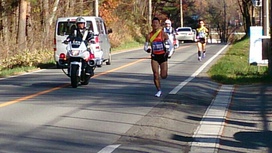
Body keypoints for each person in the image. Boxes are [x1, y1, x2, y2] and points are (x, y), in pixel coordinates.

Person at [144, 17, 173, 97]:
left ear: (159, 24)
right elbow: (145, 47)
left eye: (156, 23)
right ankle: (159, 90)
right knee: (155, 74)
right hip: (154, 56)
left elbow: (171, 45)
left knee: (163, 76)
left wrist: (168, 53)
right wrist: (148, 50)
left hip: (163, 56)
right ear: (151, 25)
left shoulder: (163, 34)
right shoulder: (149, 35)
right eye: (153, 23)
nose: (155, 25)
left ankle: (163, 74)